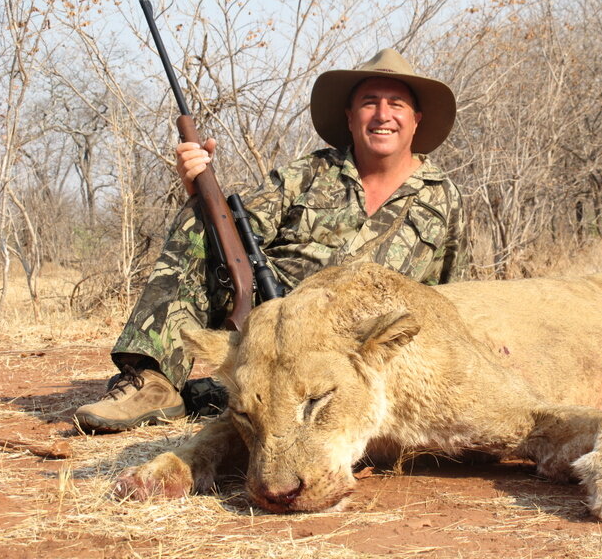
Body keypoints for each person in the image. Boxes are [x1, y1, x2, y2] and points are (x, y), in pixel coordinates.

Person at [74, 48, 468, 432]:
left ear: (415, 120)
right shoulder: (308, 173)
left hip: (360, 361)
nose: (383, 115)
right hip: (272, 323)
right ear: (350, 118)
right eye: (370, 103)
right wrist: (196, 185)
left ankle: (223, 395)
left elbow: (449, 301)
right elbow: (230, 233)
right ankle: (153, 379)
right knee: (201, 219)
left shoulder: (444, 199)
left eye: (396, 104)